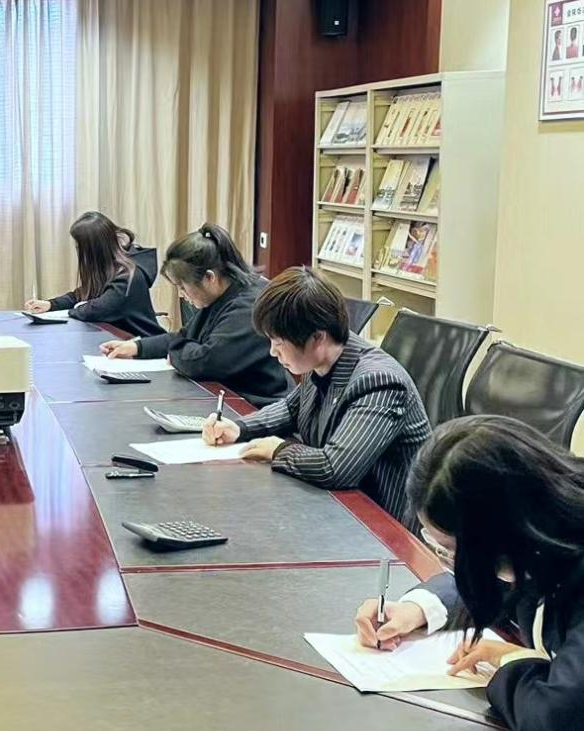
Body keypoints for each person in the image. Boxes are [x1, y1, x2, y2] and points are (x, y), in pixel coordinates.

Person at [352, 416, 584, 731]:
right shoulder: (543, 531)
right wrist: (417, 608)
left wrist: (513, 664)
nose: (451, 561)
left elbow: (560, 728)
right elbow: (497, 579)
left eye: (450, 550)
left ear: (502, 535)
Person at [203, 266, 430, 527]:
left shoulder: (379, 382)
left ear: (317, 338)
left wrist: (278, 451)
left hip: (384, 530)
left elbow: (337, 468)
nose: (273, 352)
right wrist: (240, 428)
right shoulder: (322, 361)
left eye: (279, 342)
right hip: (338, 511)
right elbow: (291, 409)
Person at [100, 223, 290, 407]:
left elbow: (205, 362)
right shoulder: (222, 294)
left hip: (255, 406)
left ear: (209, 277)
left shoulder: (249, 305)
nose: (182, 295)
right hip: (226, 394)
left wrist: (175, 353)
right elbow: (185, 338)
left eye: (183, 287)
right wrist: (137, 347)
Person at [23, 211, 162, 337]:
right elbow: (82, 294)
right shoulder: (110, 267)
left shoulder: (129, 275)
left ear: (94, 249)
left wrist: (75, 309)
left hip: (142, 345)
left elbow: (99, 309)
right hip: (116, 340)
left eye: (80, 247)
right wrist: (51, 304)